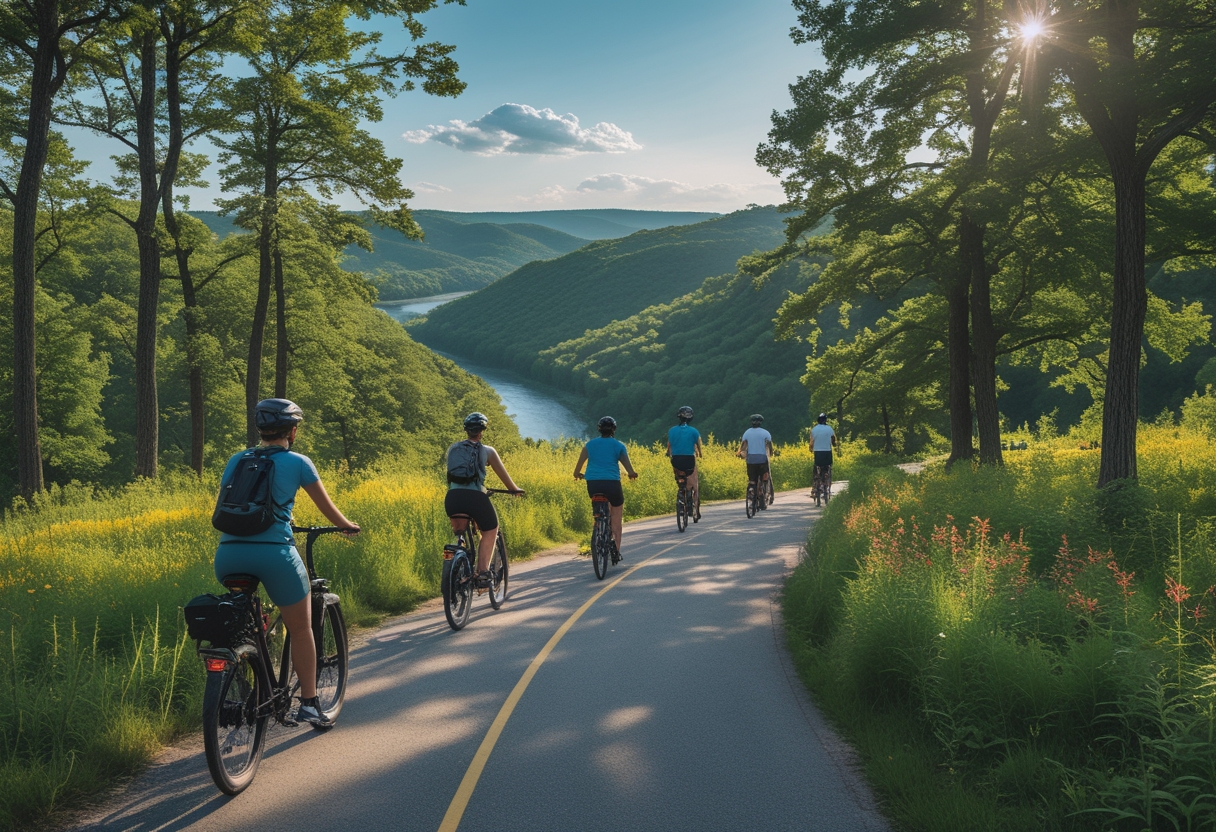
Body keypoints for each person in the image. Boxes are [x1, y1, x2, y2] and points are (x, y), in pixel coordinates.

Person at [214, 398, 359, 728]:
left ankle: (246, 658)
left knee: (245, 621)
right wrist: (346, 525)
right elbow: (327, 507)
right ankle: (309, 703)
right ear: (292, 431)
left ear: (260, 430)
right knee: (301, 627)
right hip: (275, 556)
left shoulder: (237, 459)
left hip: (227, 556)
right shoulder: (298, 462)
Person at [444, 412, 524, 587]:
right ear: (481, 431)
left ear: (466, 431)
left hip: (452, 498)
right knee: (490, 529)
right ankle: (481, 573)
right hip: (475, 498)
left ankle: (459, 558)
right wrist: (515, 490)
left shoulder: (453, 449)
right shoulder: (487, 451)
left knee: (460, 532)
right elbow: (506, 479)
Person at [573, 416, 639, 558]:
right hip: (612, 484)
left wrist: (578, 474)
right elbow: (628, 467)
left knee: (598, 511)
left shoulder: (589, 445)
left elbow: (577, 469)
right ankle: (616, 552)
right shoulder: (619, 446)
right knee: (616, 518)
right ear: (614, 430)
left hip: (593, 484)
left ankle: (598, 530)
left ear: (599, 429)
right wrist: (632, 474)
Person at [666, 405, 702, 520]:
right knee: (694, 484)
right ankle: (694, 506)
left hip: (676, 460)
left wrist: (668, 453)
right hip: (689, 460)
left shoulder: (671, 430)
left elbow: (669, 446)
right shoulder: (694, 431)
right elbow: (698, 446)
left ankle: (681, 491)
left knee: (680, 477)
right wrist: (700, 454)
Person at [737, 413, 774, 509]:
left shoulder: (747, 432)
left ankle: (751, 491)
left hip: (751, 460)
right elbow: (770, 447)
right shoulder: (766, 433)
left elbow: (743, 447)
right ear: (761, 422)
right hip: (762, 459)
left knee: (752, 480)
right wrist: (772, 453)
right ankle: (761, 492)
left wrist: (740, 454)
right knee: (763, 478)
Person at [810, 412, 838, 495]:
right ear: (825, 420)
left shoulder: (814, 429)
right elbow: (833, 439)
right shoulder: (829, 429)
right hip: (827, 452)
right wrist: (834, 445)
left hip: (818, 452)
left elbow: (811, 442)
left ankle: (816, 485)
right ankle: (826, 480)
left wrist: (811, 449)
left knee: (816, 467)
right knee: (827, 466)